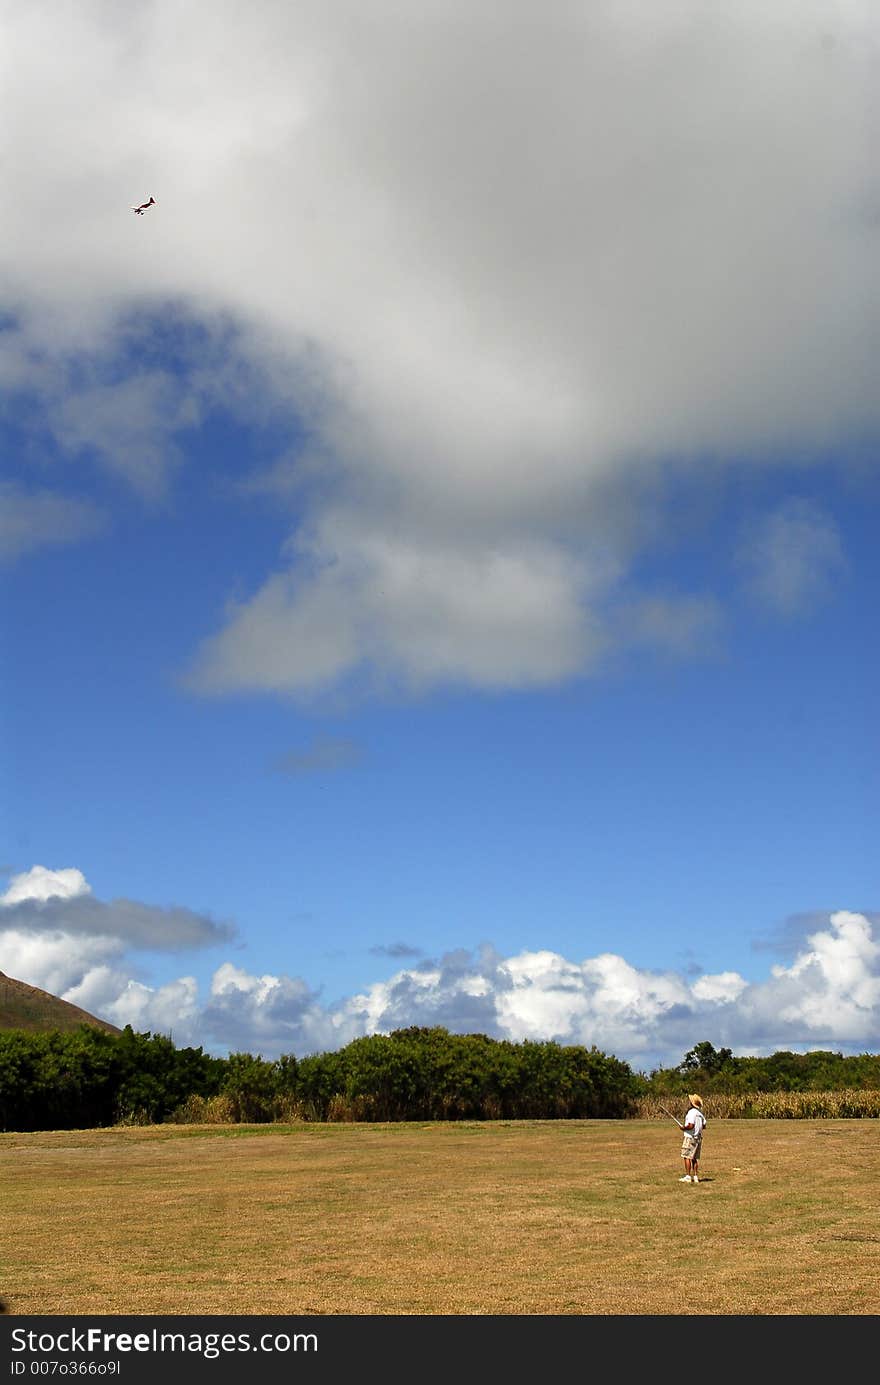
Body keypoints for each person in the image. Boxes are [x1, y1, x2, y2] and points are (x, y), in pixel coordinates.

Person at [677, 1093, 706, 1182]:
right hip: (698, 1138)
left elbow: (690, 1125)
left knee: (687, 1156)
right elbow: (704, 1125)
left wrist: (683, 1128)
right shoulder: (700, 1113)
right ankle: (696, 1176)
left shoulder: (691, 1112)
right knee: (694, 1158)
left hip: (690, 1137)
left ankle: (688, 1176)